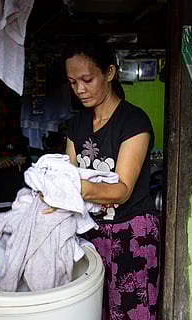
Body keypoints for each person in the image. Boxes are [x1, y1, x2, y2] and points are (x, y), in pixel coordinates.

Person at [63, 38, 160, 319]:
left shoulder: (133, 121)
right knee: (89, 310)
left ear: (109, 73)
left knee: (131, 312)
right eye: (72, 82)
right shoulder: (77, 123)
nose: (80, 89)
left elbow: (122, 191)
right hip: (88, 232)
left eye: (87, 79)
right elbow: (68, 170)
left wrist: (69, 188)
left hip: (131, 233)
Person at [0, 86, 32, 227]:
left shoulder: (15, 135)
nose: (0, 110)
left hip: (11, 196)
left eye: (3, 107)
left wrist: (18, 161)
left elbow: (27, 163)